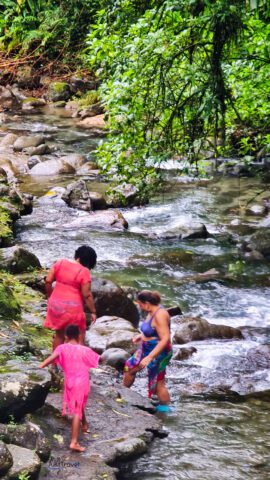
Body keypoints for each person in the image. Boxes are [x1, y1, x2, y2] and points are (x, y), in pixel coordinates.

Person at [39, 324, 100, 452]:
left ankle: (84, 424)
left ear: (66, 336)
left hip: (69, 382)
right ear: (79, 335)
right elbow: (96, 361)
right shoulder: (85, 350)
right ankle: (74, 442)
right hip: (82, 382)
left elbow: (50, 359)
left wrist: (38, 368)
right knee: (77, 409)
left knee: (78, 403)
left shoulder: (61, 348)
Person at [123, 290, 172, 406]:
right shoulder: (151, 310)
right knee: (129, 367)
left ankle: (165, 410)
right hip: (146, 347)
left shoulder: (160, 315)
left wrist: (150, 357)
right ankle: (122, 392)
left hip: (159, 351)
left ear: (147, 303)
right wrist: (142, 336)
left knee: (157, 383)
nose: (140, 307)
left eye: (140, 304)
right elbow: (154, 330)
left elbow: (165, 339)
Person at [44, 245, 97, 350]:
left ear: (77, 255)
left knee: (59, 335)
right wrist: (93, 311)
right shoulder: (84, 271)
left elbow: (48, 280)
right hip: (73, 308)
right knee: (79, 335)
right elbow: (86, 295)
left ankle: (54, 364)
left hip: (56, 304)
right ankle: (76, 362)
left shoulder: (60, 263)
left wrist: (50, 296)